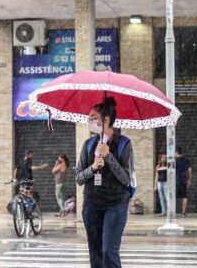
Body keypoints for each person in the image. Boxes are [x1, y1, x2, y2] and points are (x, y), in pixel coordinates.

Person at [75, 97, 135, 268]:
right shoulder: (88, 145)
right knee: (95, 253)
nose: (90, 120)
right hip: (92, 204)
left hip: (115, 204)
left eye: (93, 117)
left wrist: (109, 156)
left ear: (106, 120)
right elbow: (79, 178)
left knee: (108, 251)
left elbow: (126, 179)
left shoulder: (124, 144)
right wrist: (93, 167)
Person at [175, 147, 192, 217]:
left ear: (176, 152)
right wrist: (189, 180)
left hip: (176, 181)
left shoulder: (174, 161)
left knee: (173, 197)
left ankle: (172, 212)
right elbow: (190, 170)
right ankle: (183, 213)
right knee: (184, 196)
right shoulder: (186, 160)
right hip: (184, 180)